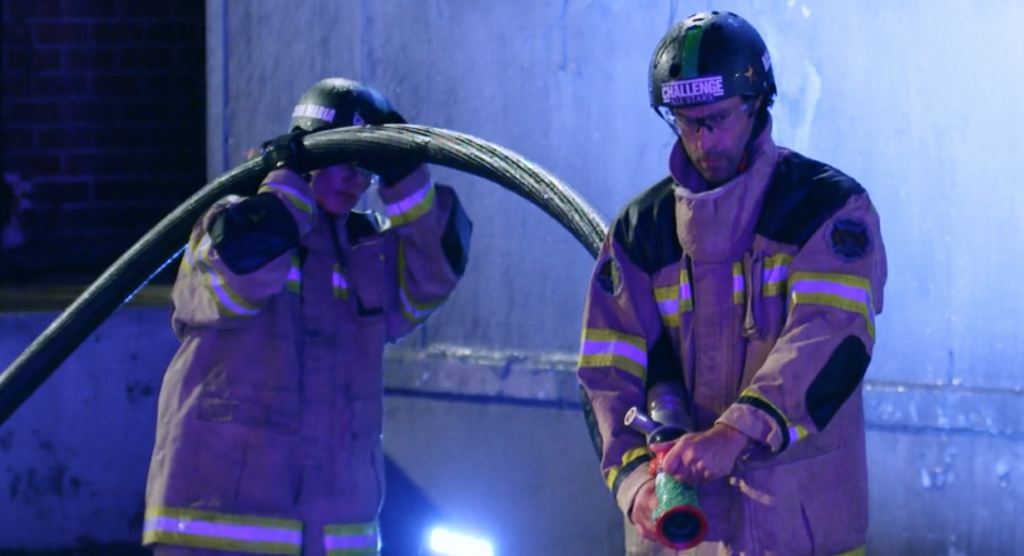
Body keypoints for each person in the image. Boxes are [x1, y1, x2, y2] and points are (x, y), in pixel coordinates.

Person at [576, 11, 886, 556]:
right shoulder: (639, 231)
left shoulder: (826, 209)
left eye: (717, 118)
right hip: (683, 538)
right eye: (684, 120)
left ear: (758, 102)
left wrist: (735, 432)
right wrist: (634, 485)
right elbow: (607, 372)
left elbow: (831, 338)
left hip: (800, 533)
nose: (702, 140)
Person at [141, 77, 472, 556]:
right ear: (308, 149)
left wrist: (406, 178)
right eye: (344, 160)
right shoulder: (232, 222)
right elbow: (239, 279)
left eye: (368, 169)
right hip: (218, 531)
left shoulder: (364, 249)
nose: (358, 180)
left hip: (330, 536)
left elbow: (434, 274)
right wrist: (287, 187)